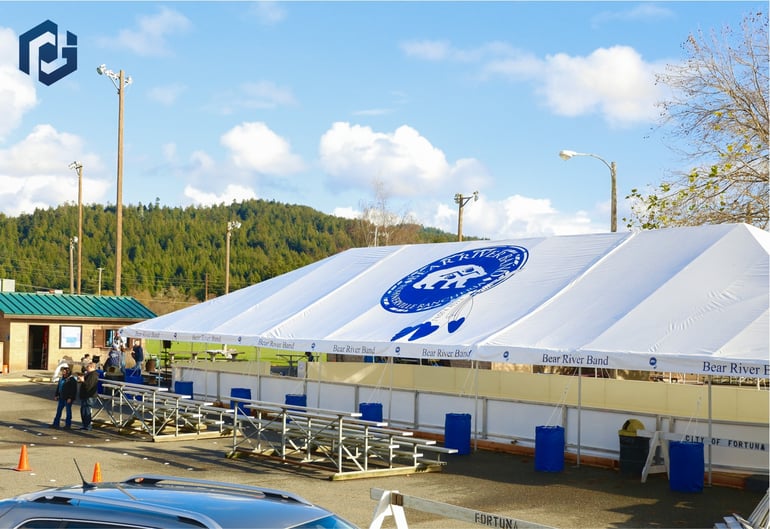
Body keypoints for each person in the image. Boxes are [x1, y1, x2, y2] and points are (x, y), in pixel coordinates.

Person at [78, 362, 99, 430]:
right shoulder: (89, 374)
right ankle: (85, 425)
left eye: (88, 367)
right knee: (83, 411)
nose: (86, 368)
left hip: (89, 395)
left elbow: (89, 386)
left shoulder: (93, 375)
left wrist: (83, 381)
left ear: (92, 367)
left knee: (86, 411)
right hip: (85, 395)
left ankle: (87, 426)